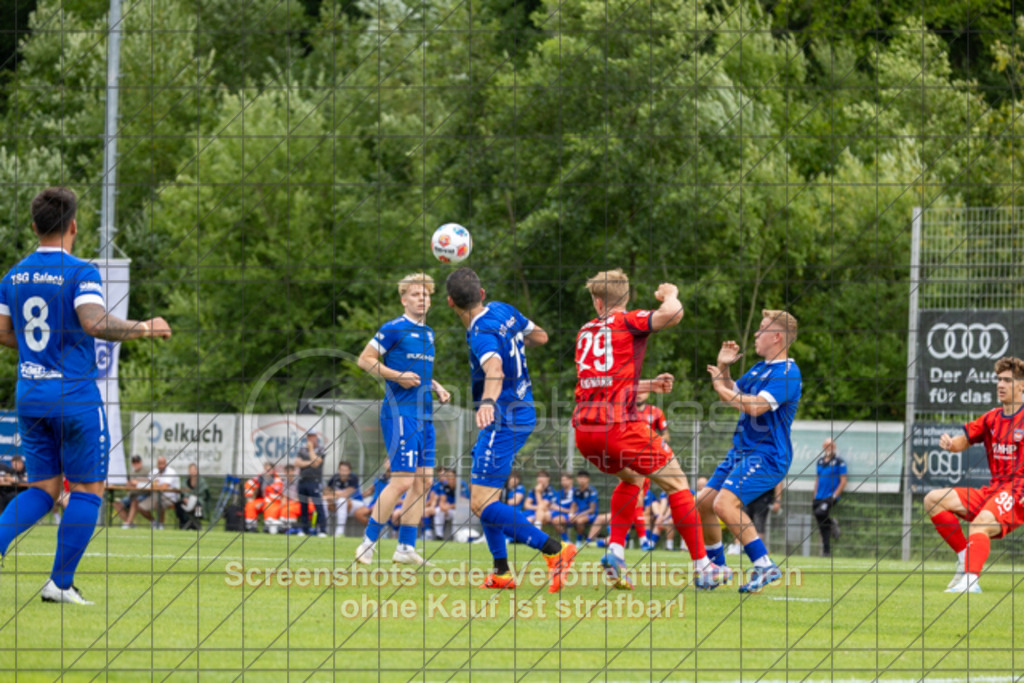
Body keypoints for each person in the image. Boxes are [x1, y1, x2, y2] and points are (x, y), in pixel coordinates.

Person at [0, 187, 171, 604]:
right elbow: (94, 322)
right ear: (74, 226)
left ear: (34, 226)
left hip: (30, 393)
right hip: (73, 395)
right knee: (88, 489)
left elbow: (3, 333)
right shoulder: (80, 272)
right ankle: (59, 584)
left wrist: (40, 351)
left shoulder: (13, 276)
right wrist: (145, 328)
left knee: (43, 489)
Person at [571, 269, 722, 590]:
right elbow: (673, 314)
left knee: (633, 478)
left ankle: (615, 551)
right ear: (624, 298)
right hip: (618, 427)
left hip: (584, 431)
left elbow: (604, 382)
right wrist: (670, 294)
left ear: (597, 301)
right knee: (677, 483)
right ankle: (704, 567)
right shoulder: (627, 321)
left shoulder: (585, 331)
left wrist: (648, 385)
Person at [445, 267, 575, 591]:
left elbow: (495, 368)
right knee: (486, 495)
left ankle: (554, 549)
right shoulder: (504, 310)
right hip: (521, 409)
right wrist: (511, 338)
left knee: (481, 502)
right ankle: (501, 572)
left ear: (450, 302)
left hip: (503, 417)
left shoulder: (481, 333)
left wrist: (488, 402)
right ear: (482, 293)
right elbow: (541, 336)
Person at [701, 309, 802, 593]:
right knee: (704, 502)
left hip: (767, 455)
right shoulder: (759, 368)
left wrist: (720, 387)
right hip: (742, 452)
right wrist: (723, 368)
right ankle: (717, 569)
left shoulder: (788, 373)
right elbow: (734, 392)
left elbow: (755, 406)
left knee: (724, 504)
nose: (756, 334)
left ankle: (764, 565)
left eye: (762, 328)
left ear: (777, 336)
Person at [355, 272, 451, 566]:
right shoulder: (393, 328)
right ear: (403, 299)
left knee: (424, 481)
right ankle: (367, 543)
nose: (422, 299)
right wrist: (396, 376)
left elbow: (418, 373)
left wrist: (436, 385)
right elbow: (365, 360)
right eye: (415, 294)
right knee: (402, 481)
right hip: (401, 414)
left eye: (426, 295)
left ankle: (405, 548)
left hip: (424, 414)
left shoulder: (429, 333)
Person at [924, 356, 1024, 594]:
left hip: (1017, 492)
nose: (1000, 385)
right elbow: (963, 441)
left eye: (1007, 380)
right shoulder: (992, 418)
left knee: (980, 523)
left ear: (1022, 385)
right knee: (933, 500)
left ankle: (970, 582)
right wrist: (951, 444)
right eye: (999, 380)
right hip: (993, 490)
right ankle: (964, 557)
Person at [812, 439, 847, 557]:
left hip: (830, 496)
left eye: (831, 446)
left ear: (834, 447)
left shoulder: (839, 462)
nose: (829, 448)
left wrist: (834, 496)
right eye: (826, 446)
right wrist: (814, 495)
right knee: (822, 525)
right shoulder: (820, 461)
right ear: (823, 447)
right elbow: (817, 479)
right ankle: (826, 551)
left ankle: (831, 523)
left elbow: (843, 481)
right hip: (819, 496)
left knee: (820, 513)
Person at [294, 431, 329, 537]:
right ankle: (304, 530)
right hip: (303, 481)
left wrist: (310, 449)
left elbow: (317, 463)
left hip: (314, 481)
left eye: (312, 436)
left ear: (316, 437)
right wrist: (310, 463)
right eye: (309, 437)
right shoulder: (302, 449)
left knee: (318, 506)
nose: (310, 439)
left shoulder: (320, 449)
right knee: (303, 506)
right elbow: (297, 463)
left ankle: (322, 530)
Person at [137, 456, 180, 530]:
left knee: (159, 503)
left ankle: (160, 525)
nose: (161, 466)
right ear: (157, 464)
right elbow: (147, 481)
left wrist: (154, 485)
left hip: (170, 498)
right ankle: (154, 522)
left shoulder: (171, 472)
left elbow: (164, 487)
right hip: (155, 496)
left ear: (166, 464)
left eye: (163, 463)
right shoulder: (154, 471)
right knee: (140, 507)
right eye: (159, 464)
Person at [326, 461, 364, 537]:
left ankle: (340, 532)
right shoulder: (335, 477)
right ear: (339, 470)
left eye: (345, 470)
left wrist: (333, 493)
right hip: (339, 504)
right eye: (341, 470)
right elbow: (326, 491)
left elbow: (346, 494)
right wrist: (333, 495)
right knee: (324, 502)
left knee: (342, 501)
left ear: (349, 471)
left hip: (357, 503)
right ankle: (324, 530)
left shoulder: (353, 477)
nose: (343, 472)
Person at [244, 460, 283, 533]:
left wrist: (262, 503)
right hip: (261, 500)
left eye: (269, 469)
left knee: (270, 507)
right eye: (265, 469)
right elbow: (249, 484)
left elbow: (275, 497)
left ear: (273, 470)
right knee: (250, 505)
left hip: (273, 502)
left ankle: (268, 527)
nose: (267, 471)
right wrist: (249, 497)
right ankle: (251, 527)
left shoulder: (277, 480)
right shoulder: (259, 477)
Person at [113, 455, 150, 528]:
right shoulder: (131, 473)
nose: (136, 464)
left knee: (134, 501)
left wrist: (137, 483)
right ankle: (130, 523)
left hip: (143, 495)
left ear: (141, 462)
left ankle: (127, 524)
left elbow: (150, 482)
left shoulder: (147, 471)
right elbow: (128, 488)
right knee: (116, 504)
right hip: (131, 495)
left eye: (137, 462)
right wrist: (128, 485)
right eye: (134, 462)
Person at [424, 468, 456, 540]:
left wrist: (449, 506)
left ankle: (455, 536)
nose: (448, 479)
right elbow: (440, 501)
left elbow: (463, 503)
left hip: (459, 510)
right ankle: (437, 535)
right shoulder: (441, 486)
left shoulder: (461, 485)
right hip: (446, 509)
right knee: (439, 511)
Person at [175, 463, 210, 530]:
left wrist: (194, 499)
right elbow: (183, 492)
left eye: (194, 470)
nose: (193, 471)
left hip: (199, 501)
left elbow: (204, 495)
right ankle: (183, 523)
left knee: (198, 505)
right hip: (187, 502)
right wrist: (186, 498)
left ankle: (196, 523)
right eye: (191, 470)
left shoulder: (202, 482)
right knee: (178, 504)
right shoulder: (185, 481)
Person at [571, 471, 599, 544]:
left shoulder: (592, 491)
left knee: (579, 521)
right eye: (580, 478)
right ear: (577, 479)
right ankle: (566, 541)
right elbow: (573, 504)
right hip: (578, 514)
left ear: (588, 479)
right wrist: (571, 514)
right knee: (560, 520)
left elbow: (592, 510)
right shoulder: (576, 491)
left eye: (584, 478)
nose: (582, 480)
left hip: (591, 515)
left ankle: (578, 542)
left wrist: (578, 515)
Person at [549, 473, 576, 542]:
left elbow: (575, 508)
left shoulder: (576, 492)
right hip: (558, 514)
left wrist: (560, 509)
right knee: (543, 516)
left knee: (556, 520)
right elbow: (552, 505)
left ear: (571, 480)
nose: (564, 482)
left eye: (566, 480)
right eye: (562, 480)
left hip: (572, 515)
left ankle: (567, 541)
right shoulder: (559, 492)